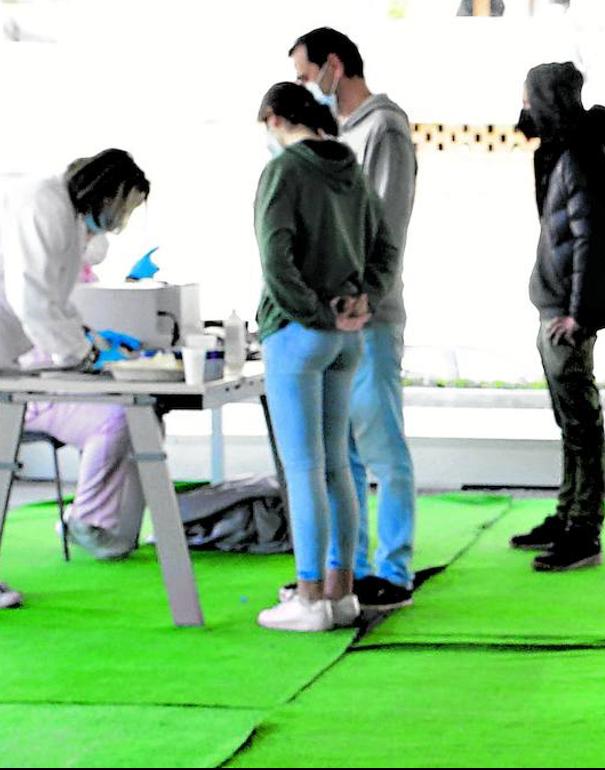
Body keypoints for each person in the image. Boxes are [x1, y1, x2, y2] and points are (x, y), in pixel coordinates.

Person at [254, 82, 399, 632]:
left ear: (273, 118)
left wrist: (313, 311)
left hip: (298, 332)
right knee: (339, 466)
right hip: (349, 334)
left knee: (303, 469)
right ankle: (341, 593)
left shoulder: (284, 171)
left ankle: (309, 595)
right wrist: (365, 298)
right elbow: (386, 248)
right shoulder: (352, 170)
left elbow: (275, 255)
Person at [289, 27, 419, 611]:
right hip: (333, 321)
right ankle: (355, 569)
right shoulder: (340, 136)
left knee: (382, 446)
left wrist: (364, 296)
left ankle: (393, 569)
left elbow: (387, 225)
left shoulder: (383, 128)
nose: (302, 88)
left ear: (333, 66)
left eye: (304, 74)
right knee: (345, 454)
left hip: (371, 314)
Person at [507, 62, 605, 571]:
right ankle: (568, 514)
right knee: (570, 419)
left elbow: (593, 239)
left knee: (581, 420)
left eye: (529, 96)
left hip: (567, 313)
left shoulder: (580, 156)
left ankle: (584, 528)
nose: (523, 107)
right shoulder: (564, 152)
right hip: (557, 305)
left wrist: (578, 315)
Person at [0, 149, 150, 560]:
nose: (121, 222)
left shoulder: (62, 215)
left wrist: (92, 342)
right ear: (108, 193)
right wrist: (81, 355)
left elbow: (56, 303)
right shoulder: (41, 205)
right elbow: (32, 300)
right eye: (125, 208)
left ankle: (97, 521)